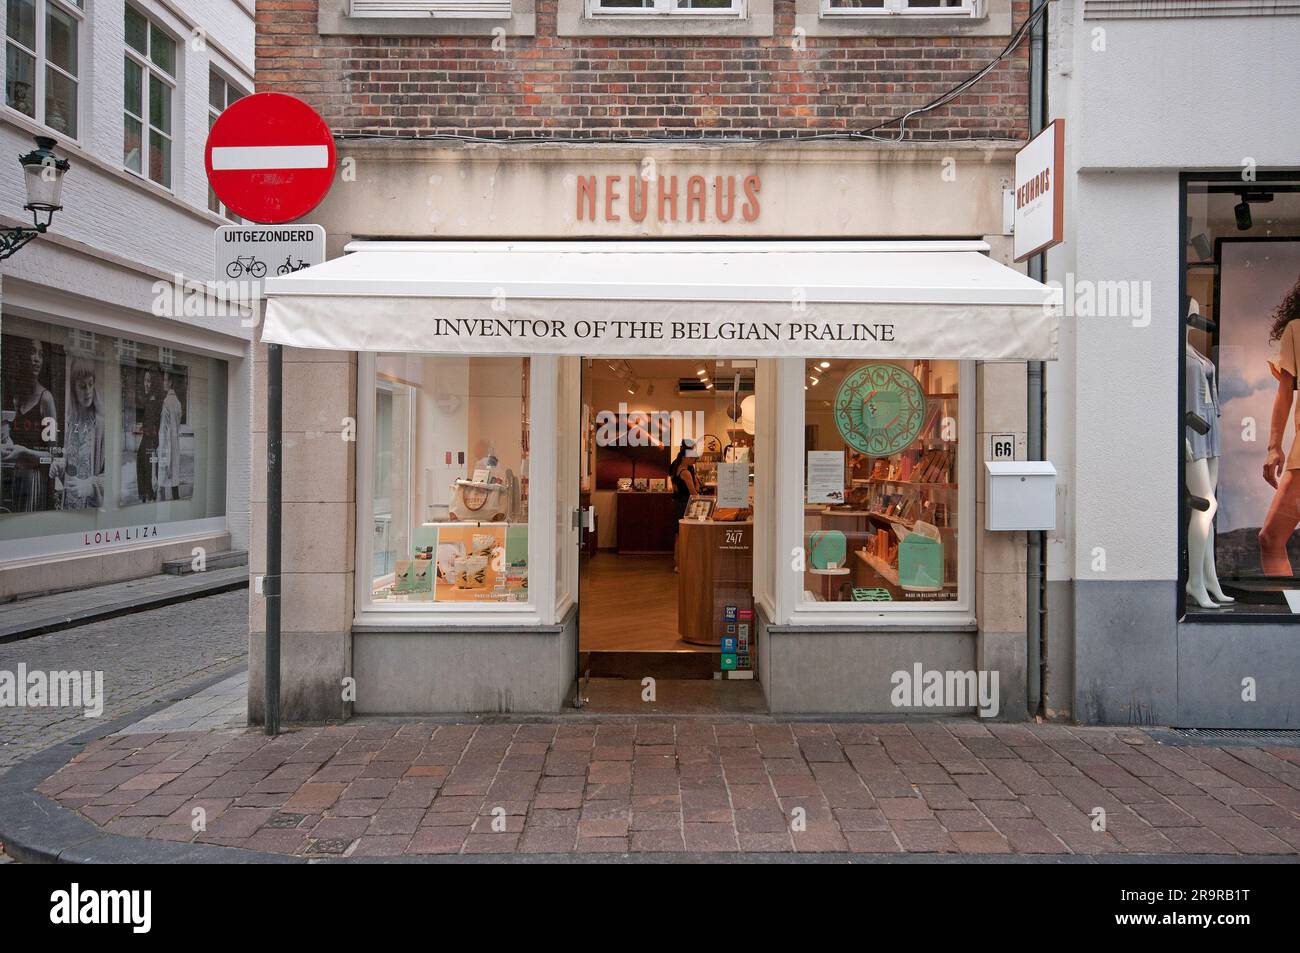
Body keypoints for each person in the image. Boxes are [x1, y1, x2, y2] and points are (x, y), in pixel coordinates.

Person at [1260, 276, 1300, 575]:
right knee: (1271, 538)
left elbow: (1285, 392)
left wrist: (1275, 447)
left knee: (1271, 538)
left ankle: (1287, 615)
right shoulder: (1297, 330)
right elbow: (1285, 392)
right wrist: (1274, 446)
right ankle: (1287, 614)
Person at [1, 337, 58, 512]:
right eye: (32, 352)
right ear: (21, 357)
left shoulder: (45, 399)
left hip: (35, 482)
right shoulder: (17, 398)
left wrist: (23, 452)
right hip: (16, 479)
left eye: (40, 354)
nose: (36, 359)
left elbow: (53, 455)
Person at [53, 356, 105, 510]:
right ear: (73, 388)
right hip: (69, 509)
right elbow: (71, 470)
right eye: (82, 386)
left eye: (91, 384)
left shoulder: (101, 425)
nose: (88, 391)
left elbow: (112, 475)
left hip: (91, 513)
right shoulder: (70, 424)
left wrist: (91, 485)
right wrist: (60, 468)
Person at [669, 438, 700, 572]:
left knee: (678, 535)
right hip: (685, 505)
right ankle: (683, 564)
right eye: (692, 457)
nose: (694, 460)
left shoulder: (676, 468)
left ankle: (678, 564)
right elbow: (694, 492)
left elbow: (675, 488)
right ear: (686, 457)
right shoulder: (686, 472)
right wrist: (697, 483)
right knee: (685, 535)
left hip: (677, 503)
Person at [157, 368, 184, 501]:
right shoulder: (178, 403)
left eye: (165, 379)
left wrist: (160, 448)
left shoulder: (166, 402)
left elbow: (163, 429)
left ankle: (160, 507)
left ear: (170, 382)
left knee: (162, 476)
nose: (163, 382)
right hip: (175, 443)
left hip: (166, 444)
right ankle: (176, 501)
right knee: (174, 477)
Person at [135, 366, 161, 503]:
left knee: (147, 466)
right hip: (148, 438)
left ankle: (148, 495)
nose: (146, 384)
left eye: (149, 381)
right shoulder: (148, 400)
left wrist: (146, 431)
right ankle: (146, 494)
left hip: (151, 439)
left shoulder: (152, 401)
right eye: (145, 380)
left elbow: (154, 424)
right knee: (143, 464)